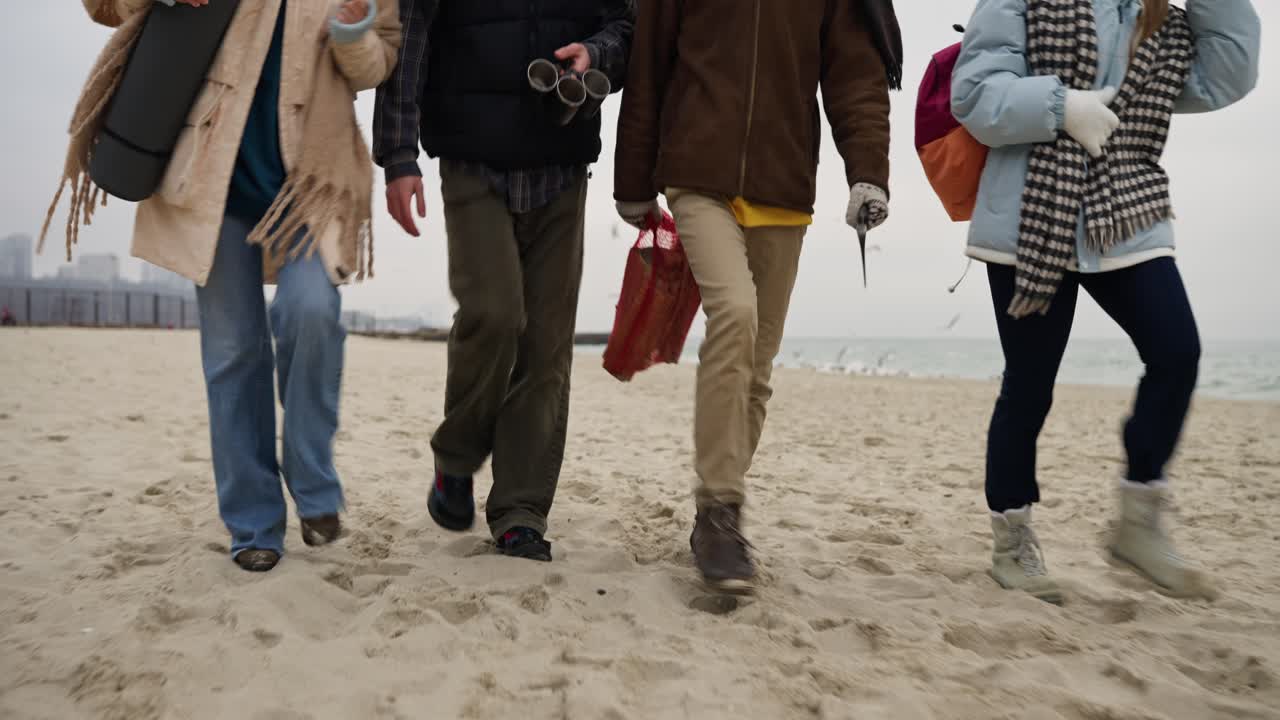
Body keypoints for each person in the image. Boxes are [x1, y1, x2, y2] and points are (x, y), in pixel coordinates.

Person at [49, 0, 402, 571]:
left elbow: (376, 63)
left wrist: (352, 31)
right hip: (212, 177)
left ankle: (312, 481)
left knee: (311, 311)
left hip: (312, 182)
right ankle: (254, 525)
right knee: (233, 352)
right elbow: (105, 9)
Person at [952, 0, 1260, 603]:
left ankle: (1138, 521)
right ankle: (1012, 541)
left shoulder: (1159, 19)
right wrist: (1062, 107)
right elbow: (976, 91)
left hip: (1127, 210)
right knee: (1030, 385)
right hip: (1030, 213)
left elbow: (1227, 75)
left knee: (1177, 353)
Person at [614, 1, 901, 594]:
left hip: (783, 182)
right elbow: (649, 67)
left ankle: (713, 514)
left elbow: (855, 75)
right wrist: (634, 182)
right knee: (735, 316)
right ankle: (722, 511)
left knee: (758, 363)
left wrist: (867, 172)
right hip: (697, 171)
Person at [374, 1, 634, 561]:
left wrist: (597, 53)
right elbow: (411, 37)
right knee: (493, 314)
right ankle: (457, 456)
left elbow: (628, 25)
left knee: (546, 344)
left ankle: (520, 511)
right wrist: (398, 155)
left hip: (561, 163)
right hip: (472, 159)